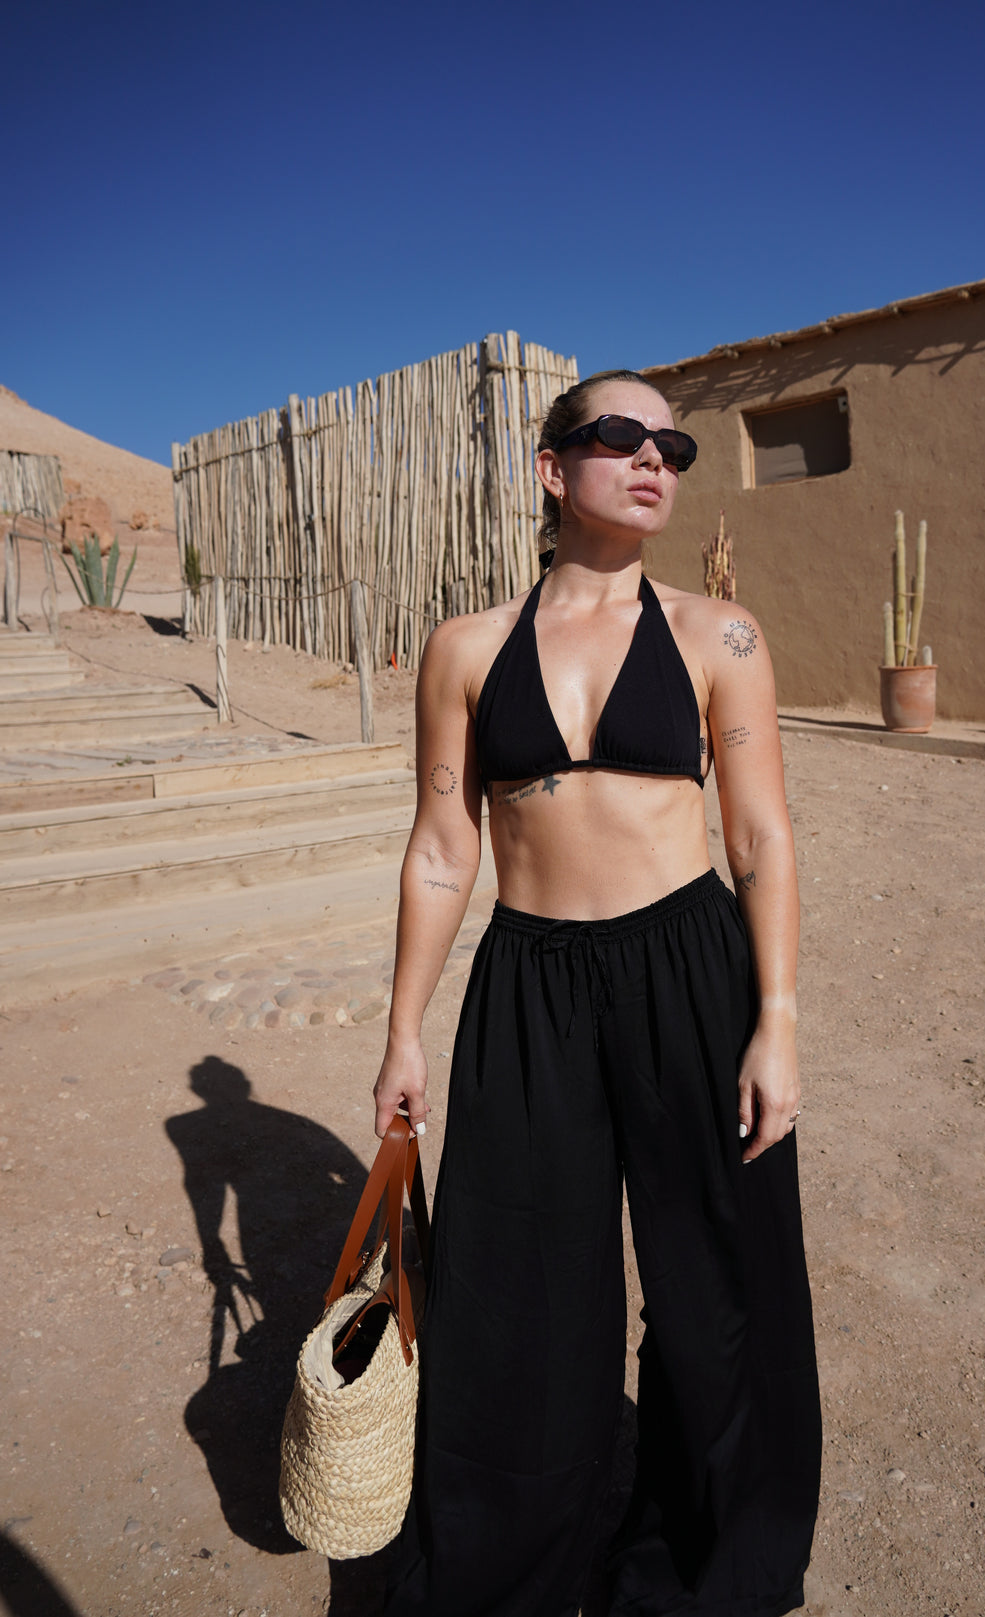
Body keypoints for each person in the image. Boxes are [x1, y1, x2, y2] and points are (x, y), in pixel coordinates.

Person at [372, 370, 820, 1616]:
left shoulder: (720, 635)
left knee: (716, 1283)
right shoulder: (466, 649)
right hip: (530, 991)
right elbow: (442, 847)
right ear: (551, 469)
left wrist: (777, 1020)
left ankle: (700, 1572)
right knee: (516, 1297)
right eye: (620, 436)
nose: (653, 459)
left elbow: (762, 837)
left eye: (673, 444)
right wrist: (404, 1031)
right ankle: (505, 1573)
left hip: (689, 971)